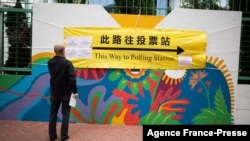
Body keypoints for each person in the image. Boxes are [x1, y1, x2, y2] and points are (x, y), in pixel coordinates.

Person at [48, 43, 78, 141]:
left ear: (55, 51)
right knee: (65, 114)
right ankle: (63, 136)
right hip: (65, 92)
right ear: (63, 51)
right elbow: (72, 79)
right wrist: (75, 91)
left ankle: (52, 136)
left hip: (54, 92)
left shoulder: (50, 62)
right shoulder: (67, 63)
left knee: (53, 114)